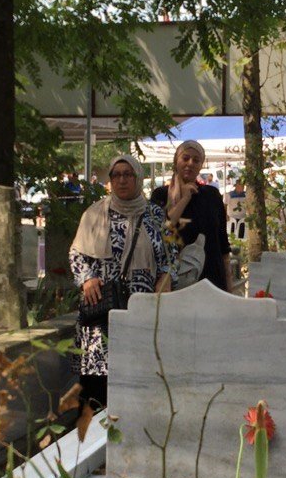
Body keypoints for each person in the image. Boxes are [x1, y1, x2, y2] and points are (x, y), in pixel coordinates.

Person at [69, 154, 171, 410]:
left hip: (141, 305)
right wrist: (87, 278)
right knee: (97, 378)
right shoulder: (94, 213)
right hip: (102, 303)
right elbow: (76, 252)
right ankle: (91, 437)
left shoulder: (155, 215)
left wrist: (166, 278)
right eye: (116, 175)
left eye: (128, 175)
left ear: (138, 178)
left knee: (136, 373)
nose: (122, 180)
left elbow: (170, 257)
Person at [151, 140, 232, 292]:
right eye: (185, 158)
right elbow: (160, 230)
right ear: (176, 161)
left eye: (196, 160)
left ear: (201, 165)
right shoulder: (161, 195)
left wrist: (229, 285)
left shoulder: (212, 195)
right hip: (176, 281)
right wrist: (184, 199)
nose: (190, 163)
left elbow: (222, 243)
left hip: (212, 278)